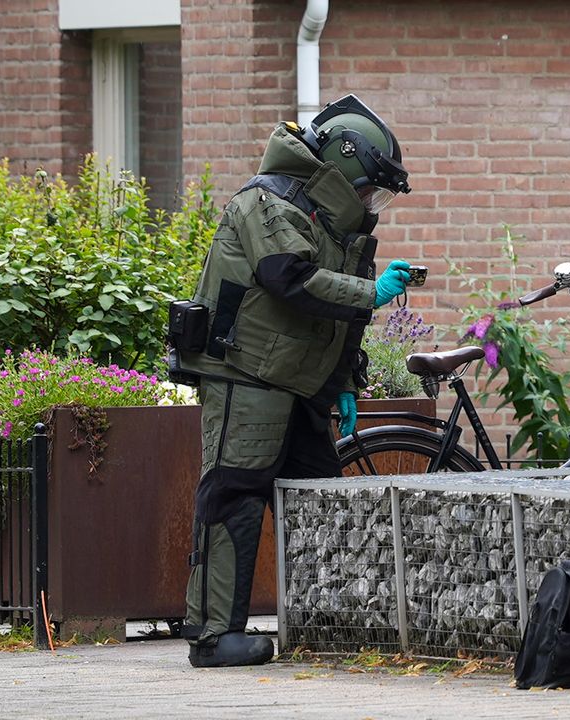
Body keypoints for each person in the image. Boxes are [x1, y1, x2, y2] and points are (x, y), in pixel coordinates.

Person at [171, 95, 413, 667]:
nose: (369, 203)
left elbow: (344, 316)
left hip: (301, 383)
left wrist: (348, 382)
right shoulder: (265, 203)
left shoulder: (339, 226)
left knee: (319, 496)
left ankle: (324, 623)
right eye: (366, 188)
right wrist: (371, 294)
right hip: (245, 375)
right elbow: (290, 278)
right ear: (339, 167)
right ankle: (212, 637)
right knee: (236, 491)